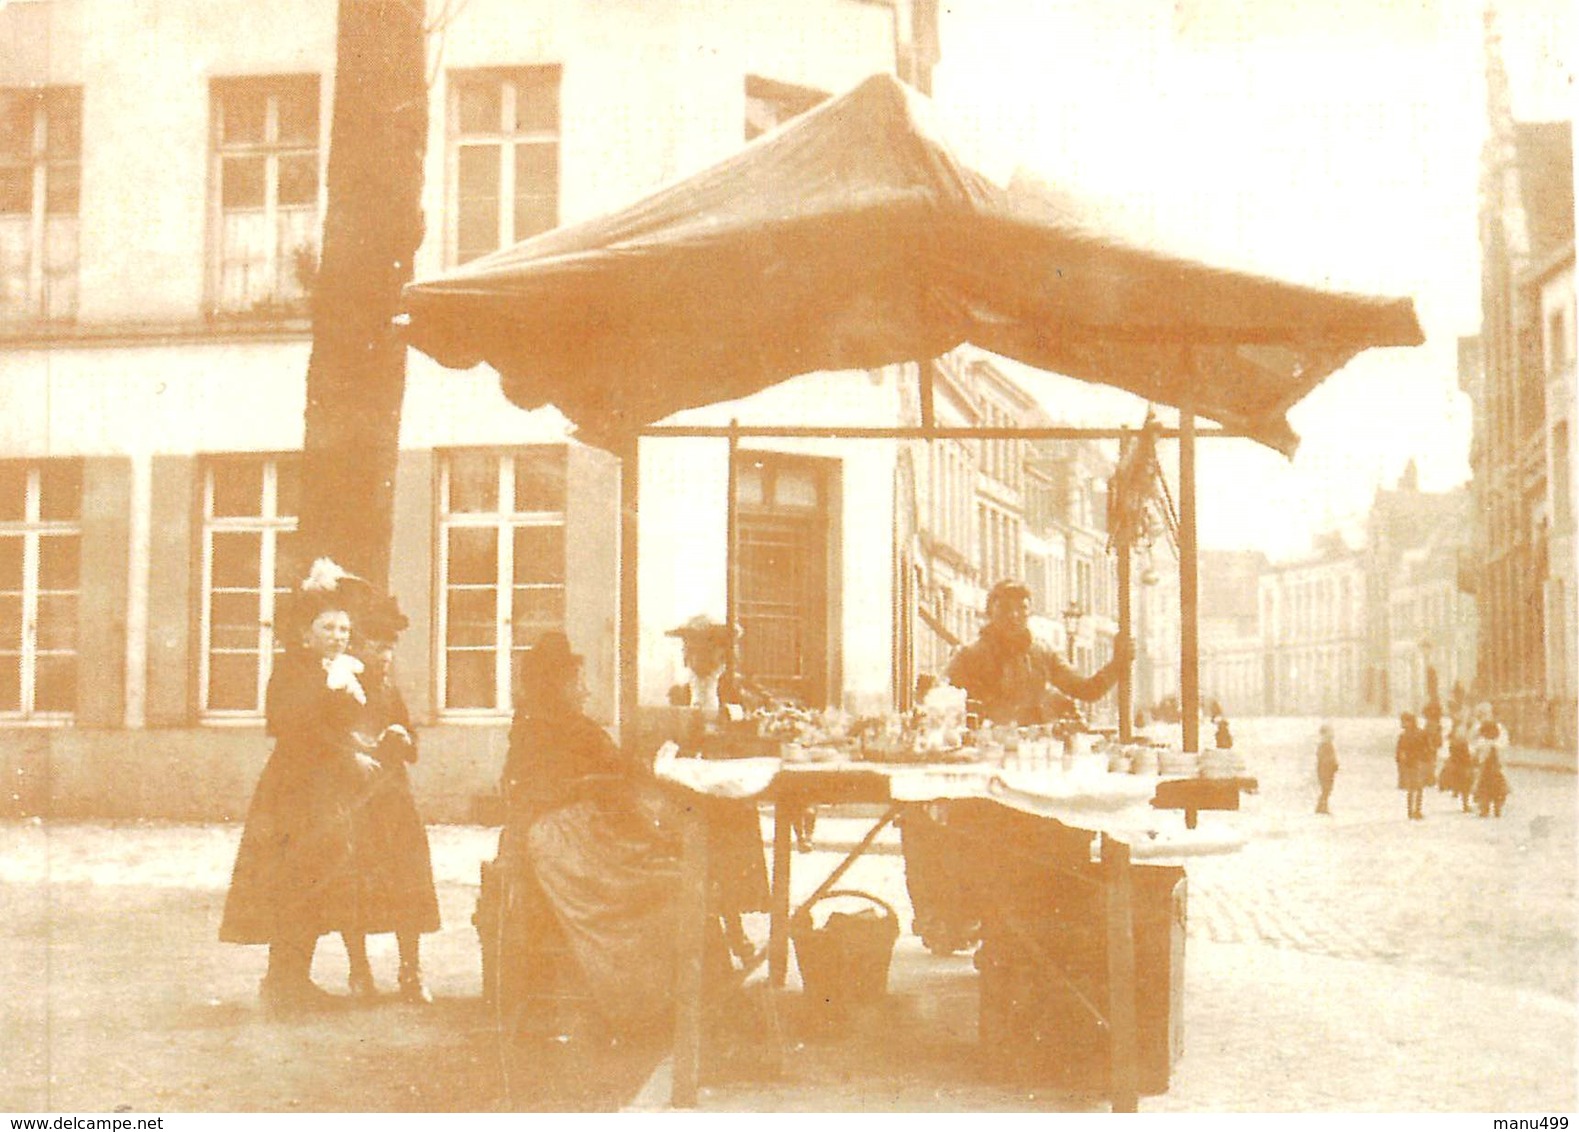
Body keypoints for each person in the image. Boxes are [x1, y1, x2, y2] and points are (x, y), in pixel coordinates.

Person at [905, 579, 1133, 955]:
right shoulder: (970, 656)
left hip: (1032, 763)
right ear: (990, 613)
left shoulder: (1042, 652)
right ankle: (982, 927)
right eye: (1005, 608)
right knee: (982, 845)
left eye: (1021, 609)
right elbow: (937, 701)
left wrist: (1117, 665)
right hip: (986, 768)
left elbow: (1086, 689)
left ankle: (1035, 928)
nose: (1014, 616)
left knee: (1054, 836)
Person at [219, 558, 380, 1016]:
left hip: (328, 790)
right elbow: (287, 724)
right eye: (328, 627)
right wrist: (345, 748)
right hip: (293, 790)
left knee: (317, 880)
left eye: (344, 628)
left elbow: (342, 724)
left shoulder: (344, 671)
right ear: (307, 634)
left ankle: (295, 978)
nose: (338, 635)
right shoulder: (293, 672)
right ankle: (280, 981)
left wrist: (358, 744)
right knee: (291, 880)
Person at [339, 594, 441, 1004]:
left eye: (390, 648)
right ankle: (359, 970)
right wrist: (369, 745)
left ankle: (410, 970)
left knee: (409, 880)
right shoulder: (343, 689)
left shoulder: (388, 688)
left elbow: (412, 743)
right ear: (358, 648)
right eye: (378, 646)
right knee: (355, 884)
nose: (386, 655)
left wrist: (402, 738)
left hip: (395, 799)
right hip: (358, 800)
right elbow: (336, 740)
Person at [664, 616, 774, 957]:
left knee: (728, 864)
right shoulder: (679, 692)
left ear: (721, 653)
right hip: (691, 788)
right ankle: (706, 941)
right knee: (694, 863)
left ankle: (735, 931)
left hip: (728, 792)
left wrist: (732, 719)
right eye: (691, 648)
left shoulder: (738, 689)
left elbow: (758, 727)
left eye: (705, 648)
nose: (696, 656)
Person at [1471, 702, 1510, 818]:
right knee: (1492, 786)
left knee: (1487, 787)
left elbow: (1503, 743)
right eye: (1481, 714)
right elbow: (1473, 744)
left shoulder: (1498, 728)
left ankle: (1489, 807)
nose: (1483, 716)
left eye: (1486, 713)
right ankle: (1489, 807)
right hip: (1490, 767)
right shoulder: (1478, 729)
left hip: (1490, 767)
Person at [1396, 712, 1433, 821]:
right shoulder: (1415, 734)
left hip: (1415, 763)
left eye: (1404, 721)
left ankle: (1413, 810)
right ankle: (1414, 810)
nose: (1402, 724)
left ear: (1410, 722)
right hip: (1414, 763)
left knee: (1414, 788)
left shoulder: (1408, 735)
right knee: (1415, 788)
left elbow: (1399, 751)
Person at [1439, 715, 1475, 813]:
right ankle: (1465, 804)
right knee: (1465, 785)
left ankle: (1459, 796)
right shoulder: (1462, 738)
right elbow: (1466, 753)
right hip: (1463, 764)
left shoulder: (1454, 738)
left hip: (1455, 763)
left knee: (1461, 784)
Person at [1314, 722, 1338, 815]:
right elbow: (1326, 759)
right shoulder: (1325, 745)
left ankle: (1322, 806)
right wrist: (1332, 764)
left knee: (1327, 789)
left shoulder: (1328, 745)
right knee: (1326, 789)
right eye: (1330, 732)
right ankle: (1321, 806)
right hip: (1325, 771)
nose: (1333, 734)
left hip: (1328, 771)